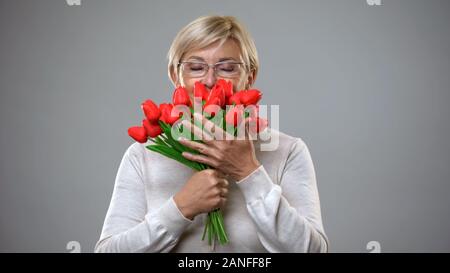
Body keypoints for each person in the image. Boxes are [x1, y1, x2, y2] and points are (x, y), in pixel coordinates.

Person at [95, 15, 329, 253]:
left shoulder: (287, 151)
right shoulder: (142, 156)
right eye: (196, 67)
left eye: (227, 68)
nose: (210, 80)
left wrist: (248, 172)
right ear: (175, 76)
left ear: (250, 76)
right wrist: (180, 208)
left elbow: (313, 250)